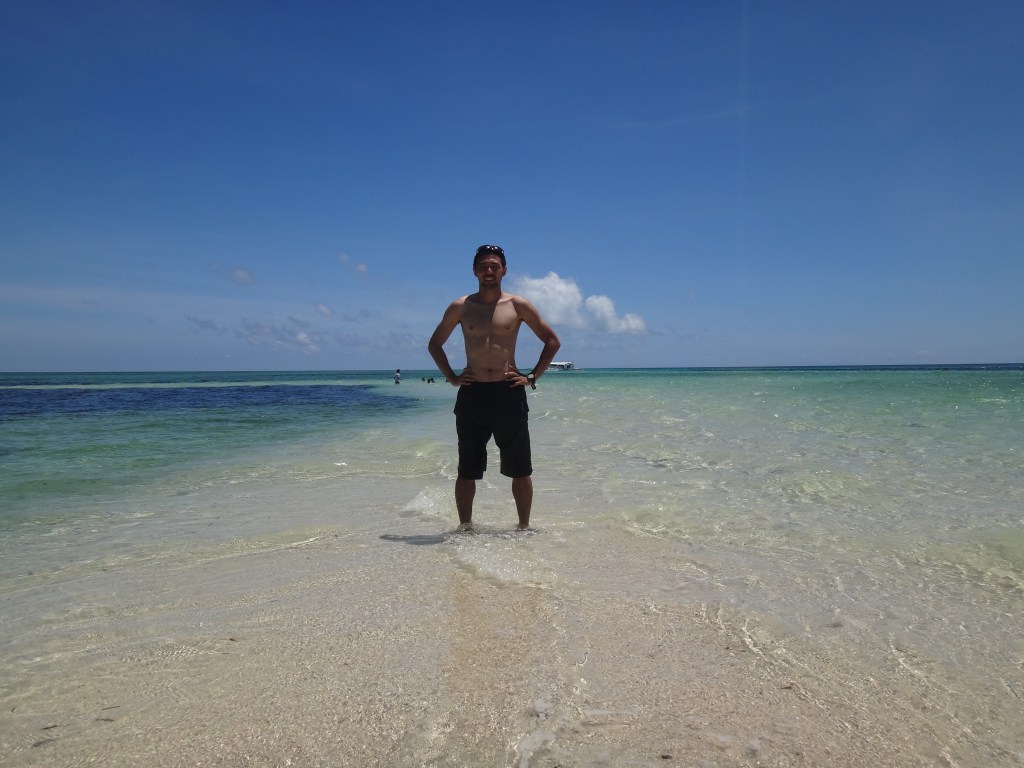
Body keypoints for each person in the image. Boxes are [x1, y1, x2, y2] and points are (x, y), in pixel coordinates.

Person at [428, 244, 561, 531]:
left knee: (521, 468)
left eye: (494, 266)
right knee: (467, 468)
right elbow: (435, 344)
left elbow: (552, 341)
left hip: (508, 393)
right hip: (473, 394)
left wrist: (532, 377)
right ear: (474, 271)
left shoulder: (518, 305)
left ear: (504, 270)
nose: (489, 271)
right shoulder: (461, 306)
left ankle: (523, 528)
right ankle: (465, 529)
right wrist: (452, 377)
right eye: (483, 266)